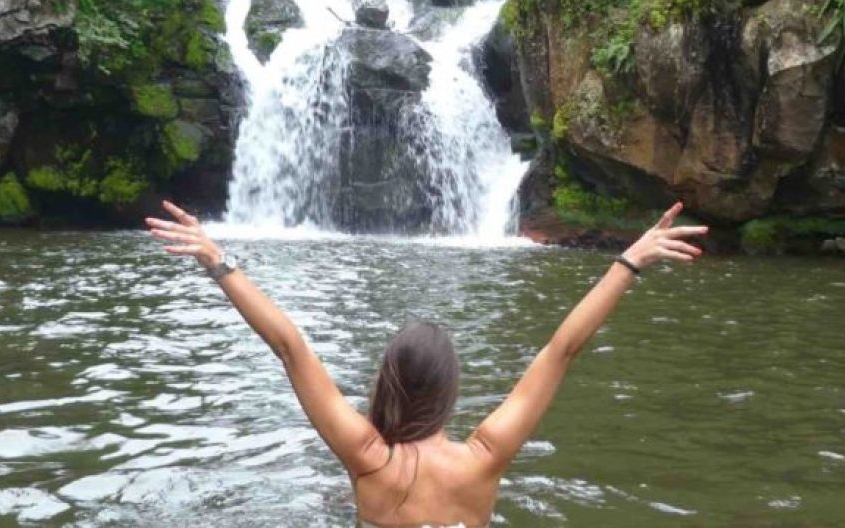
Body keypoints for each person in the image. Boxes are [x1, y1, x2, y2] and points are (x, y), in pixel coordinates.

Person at [146, 200, 708, 527]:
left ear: (387, 382)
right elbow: (562, 348)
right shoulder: (483, 460)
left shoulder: (369, 461)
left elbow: (290, 345)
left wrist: (218, 261)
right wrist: (627, 263)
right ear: (449, 390)